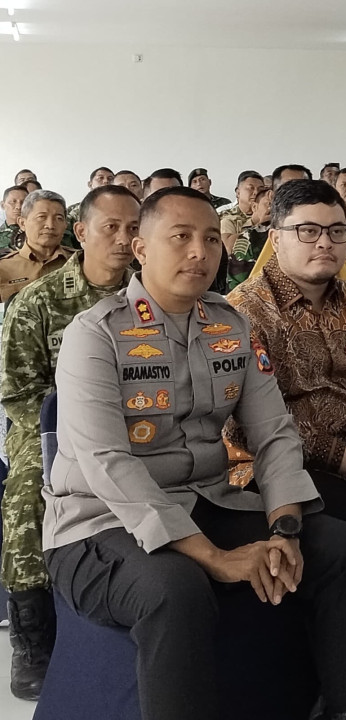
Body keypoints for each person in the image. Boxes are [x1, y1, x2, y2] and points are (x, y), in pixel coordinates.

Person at [44, 187, 346, 720]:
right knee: (175, 589)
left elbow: (274, 433)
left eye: (209, 239)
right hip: (99, 523)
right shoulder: (95, 335)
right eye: (180, 237)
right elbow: (107, 463)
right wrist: (216, 558)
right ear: (140, 247)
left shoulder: (231, 324)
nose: (199, 252)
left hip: (208, 502)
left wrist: (284, 528)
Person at [226, 180, 346, 637]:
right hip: (288, 466)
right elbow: (245, 423)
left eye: (337, 231)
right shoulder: (244, 312)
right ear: (276, 238)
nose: (325, 243)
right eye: (308, 231)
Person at [0, 185, 139, 699]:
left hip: (139, 425)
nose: (123, 240)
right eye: (111, 228)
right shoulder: (38, 300)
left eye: (133, 228)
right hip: (53, 430)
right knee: (26, 494)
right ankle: (32, 638)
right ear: (81, 233)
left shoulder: (148, 298)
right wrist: (76, 432)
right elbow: (17, 391)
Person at [0, 191, 74, 302]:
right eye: (41, 217)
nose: (50, 225)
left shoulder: (81, 261)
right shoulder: (3, 268)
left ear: (65, 225)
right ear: (22, 223)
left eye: (59, 218)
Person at [226, 186, 273, 291]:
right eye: (269, 204)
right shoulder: (250, 237)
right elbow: (236, 288)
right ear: (254, 207)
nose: (273, 208)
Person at [219, 171, 265, 250]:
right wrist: (254, 222)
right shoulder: (227, 217)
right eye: (251, 188)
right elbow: (227, 247)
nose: (256, 192)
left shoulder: (270, 214)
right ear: (238, 193)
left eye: (260, 189)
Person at [1, 185, 27, 251]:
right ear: (2, 205)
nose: (19, 207)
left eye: (23, 202)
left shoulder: (35, 233)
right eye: (13, 202)